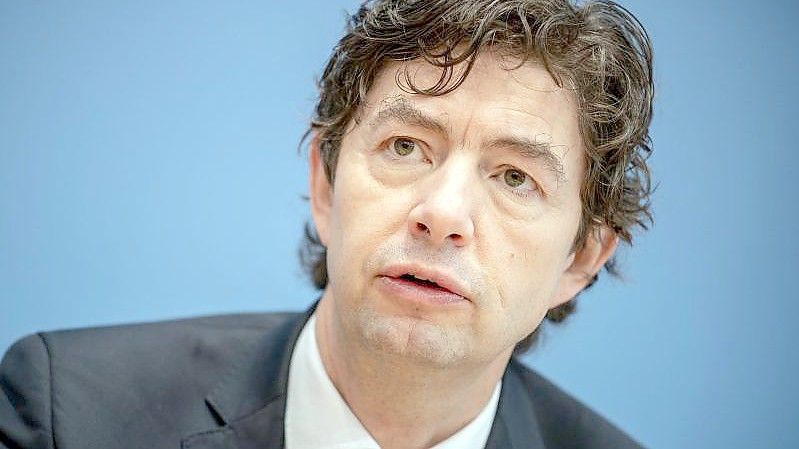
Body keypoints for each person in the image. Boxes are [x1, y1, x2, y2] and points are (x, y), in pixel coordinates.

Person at [0, 0, 654, 448]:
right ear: (324, 181)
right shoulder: (72, 414)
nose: (442, 214)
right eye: (405, 146)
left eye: (515, 177)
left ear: (580, 259)